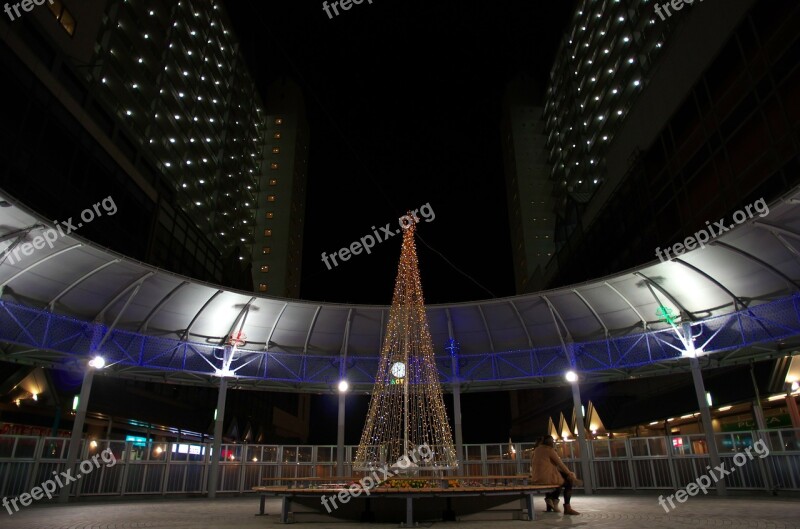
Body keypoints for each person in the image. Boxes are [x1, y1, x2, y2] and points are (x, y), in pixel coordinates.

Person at [530, 436, 580, 515]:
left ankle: (550, 502)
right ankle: (567, 507)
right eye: (553, 441)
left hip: (537, 477)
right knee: (568, 482)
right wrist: (570, 473)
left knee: (559, 480)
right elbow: (560, 464)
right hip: (546, 478)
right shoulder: (549, 450)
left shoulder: (537, 450)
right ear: (550, 442)